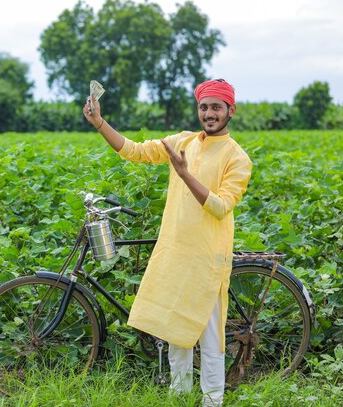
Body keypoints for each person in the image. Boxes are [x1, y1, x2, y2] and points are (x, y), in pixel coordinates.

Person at [82, 79, 252, 407]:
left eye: (216, 107)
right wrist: (99, 123)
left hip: (208, 257)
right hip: (176, 251)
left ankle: (212, 400)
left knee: (210, 335)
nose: (209, 113)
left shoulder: (238, 158)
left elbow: (220, 206)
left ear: (231, 110)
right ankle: (179, 394)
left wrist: (186, 173)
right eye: (204, 107)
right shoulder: (182, 141)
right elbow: (133, 150)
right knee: (177, 329)